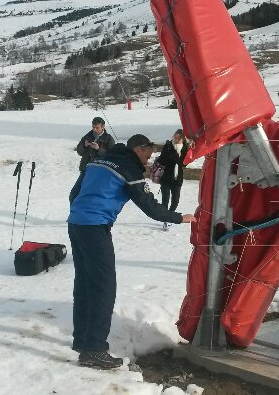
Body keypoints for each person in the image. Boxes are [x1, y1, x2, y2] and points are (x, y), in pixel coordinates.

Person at [67, 134, 196, 369]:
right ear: (138, 149)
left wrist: (81, 212)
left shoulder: (98, 160)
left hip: (76, 223)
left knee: (85, 283)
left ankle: (82, 340)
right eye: (149, 151)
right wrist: (179, 218)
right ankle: (94, 350)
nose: (151, 156)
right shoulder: (129, 170)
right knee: (104, 288)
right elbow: (150, 207)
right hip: (94, 227)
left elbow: (74, 193)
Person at [157, 129, 193, 230]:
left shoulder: (185, 148)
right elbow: (161, 160)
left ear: (183, 139)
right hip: (166, 178)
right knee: (165, 200)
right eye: (175, 137)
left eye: (178, 138)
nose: (176, 139)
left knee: (175, 201)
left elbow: (183, 164)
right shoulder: (168, 146)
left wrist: (177, 157)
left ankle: (169, 217)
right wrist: (171, 156)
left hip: (177, 179)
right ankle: (165, 220)